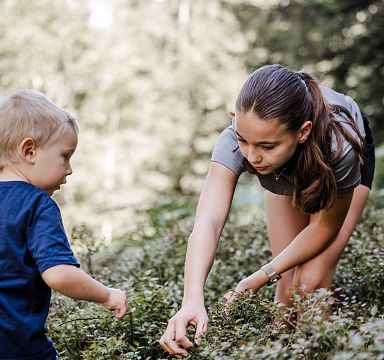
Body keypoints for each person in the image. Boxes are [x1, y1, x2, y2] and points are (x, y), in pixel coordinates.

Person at [159, 64, 375, 356]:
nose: (251, 156)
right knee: (285, 288)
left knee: (309, 283)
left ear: (303, 132)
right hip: (283, 171)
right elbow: (208, 222)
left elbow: (324, 227)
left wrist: (258, 277)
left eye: (266, 145)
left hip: (332, 164)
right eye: (243, 139)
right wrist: (192, 298)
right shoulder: (240, 143)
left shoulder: (340, 146)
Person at [0, 90, 128, 360]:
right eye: (65, 156)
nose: (69, 170)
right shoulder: (36, 205)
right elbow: (59, 274)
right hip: (20, 350)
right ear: (29, 151)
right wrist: (106, 295)